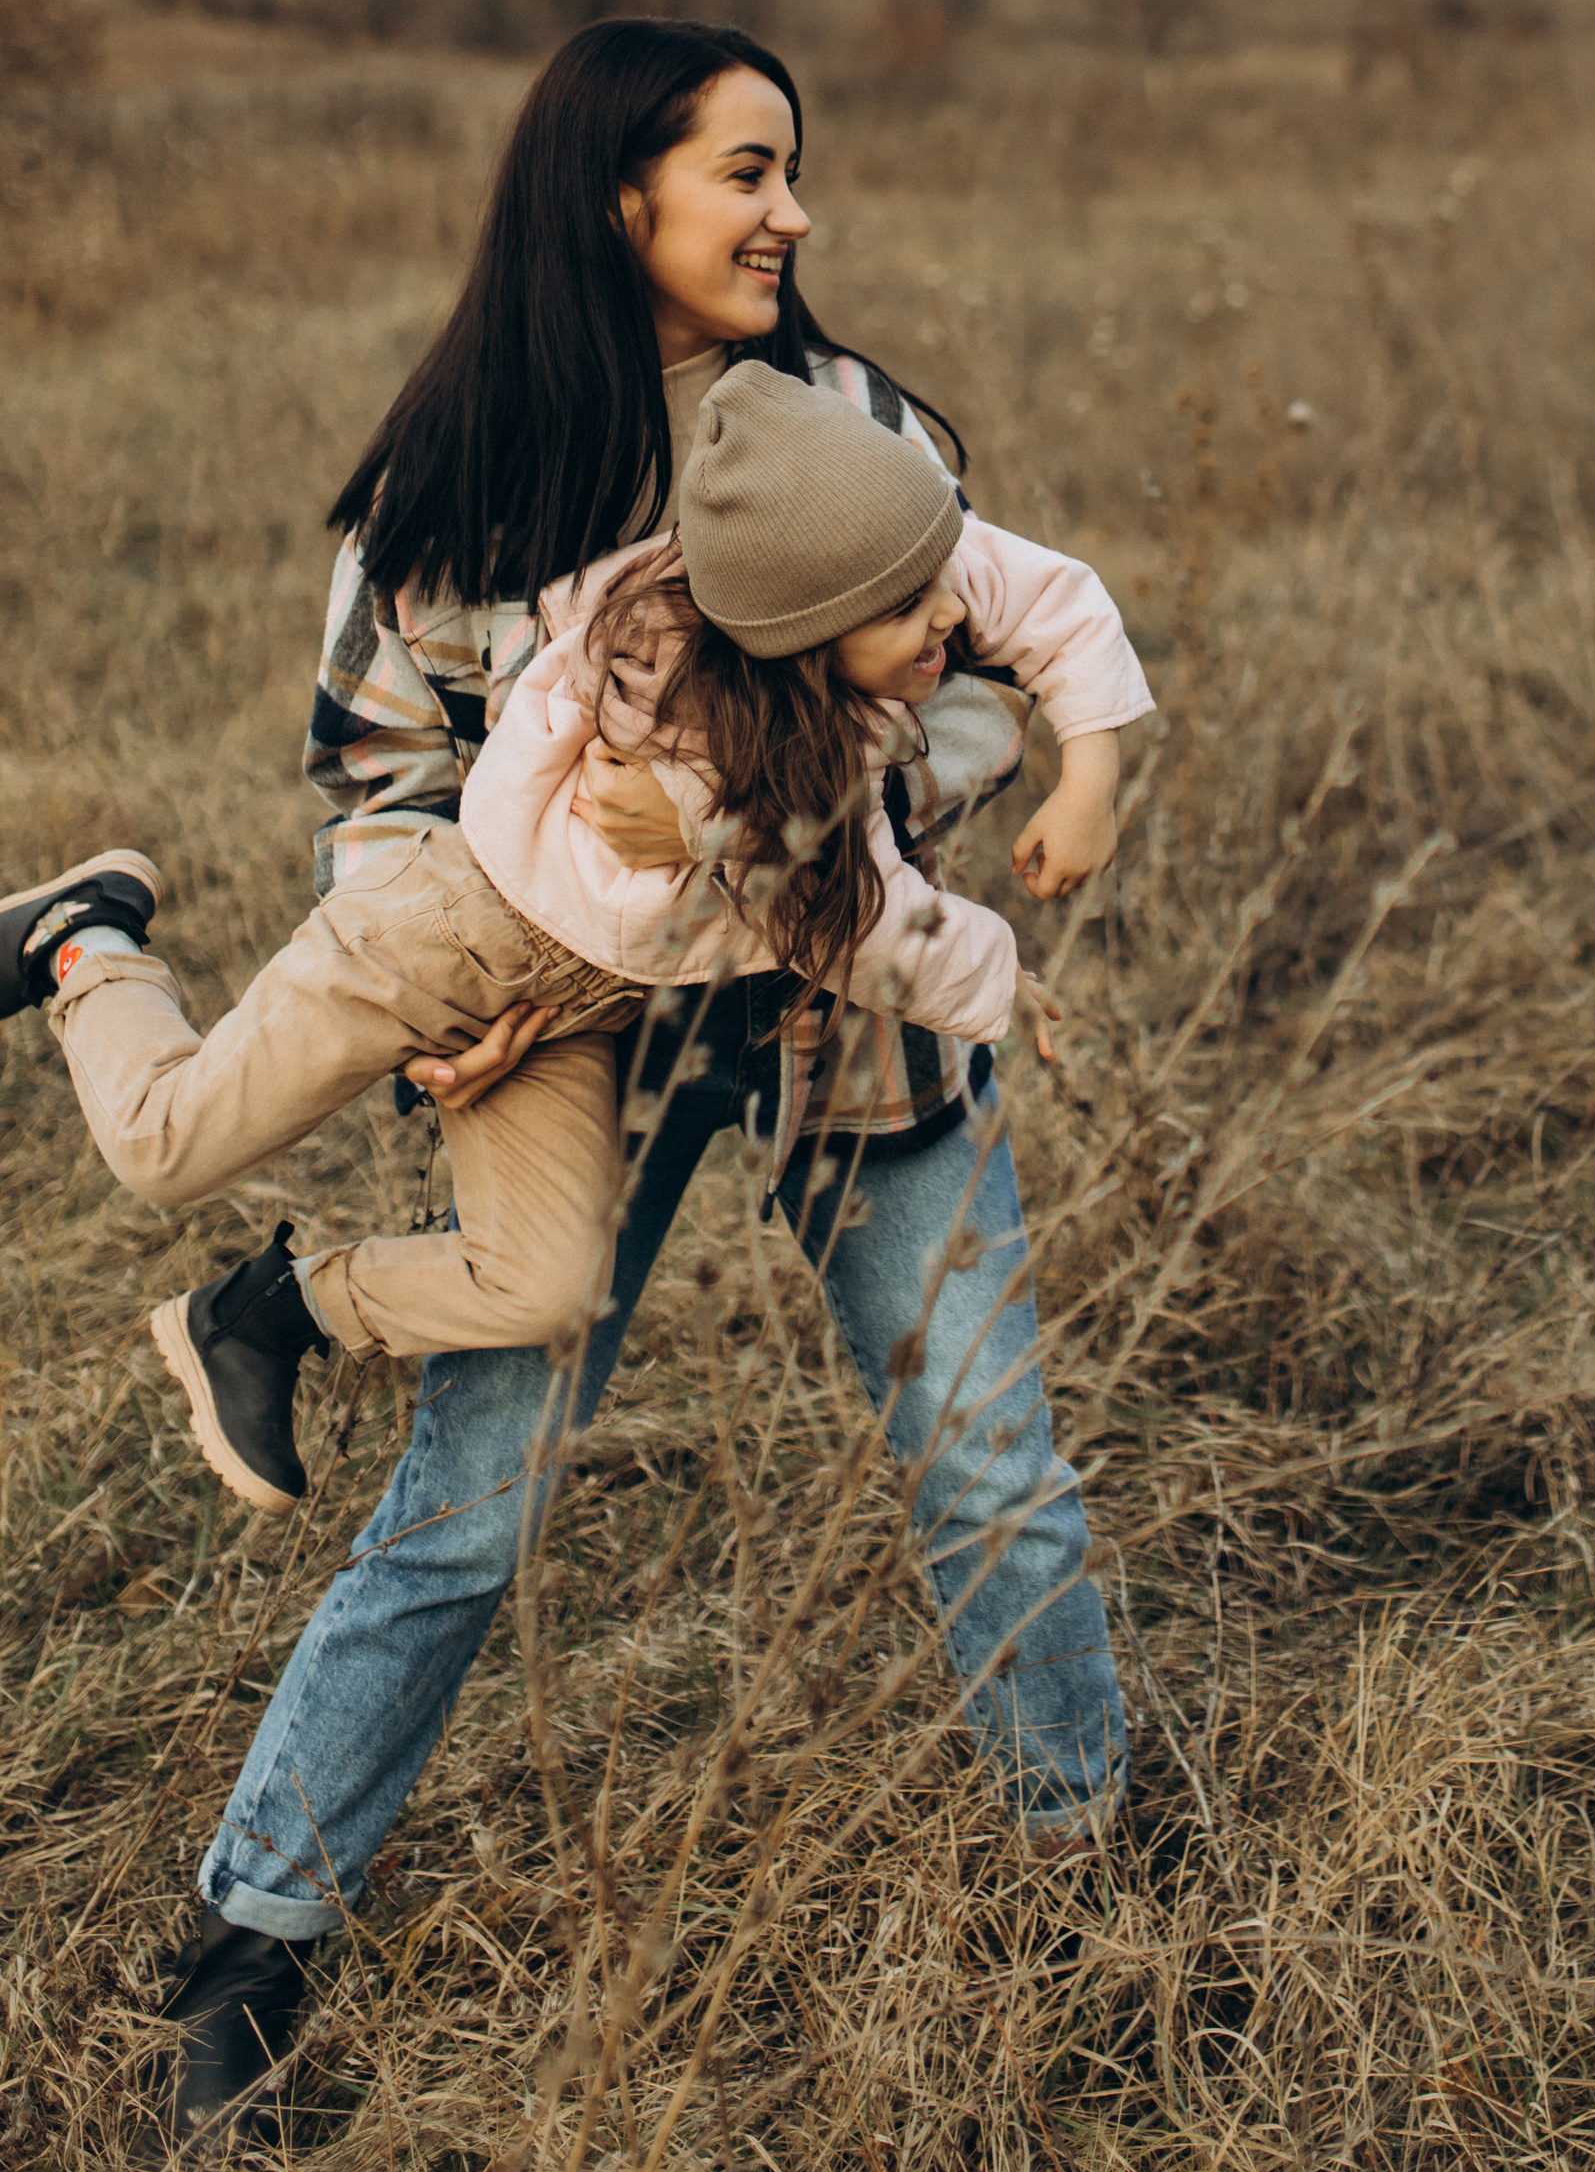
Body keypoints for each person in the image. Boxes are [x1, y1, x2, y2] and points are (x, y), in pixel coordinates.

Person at [115, 18, 1140, 2153]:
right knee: (459, 1524)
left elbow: (965, 712)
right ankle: (253, 1937)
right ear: (619, 194)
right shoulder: (467, 473)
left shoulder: (860, 424)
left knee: (986, 1461)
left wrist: (822, 837)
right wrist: (476, 991)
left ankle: (1087, 1885)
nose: (792, 213)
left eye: (793, 170)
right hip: (547, 1039)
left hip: (843, 1028)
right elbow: (378, 777)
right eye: (747, 171)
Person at [7, 365, 1146, 1510]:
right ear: (802, 633)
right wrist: (1002, 979)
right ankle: (84, 941)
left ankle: (275, 1313)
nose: (950, 616)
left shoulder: (867, 555)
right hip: (440, 939)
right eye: (908, 608)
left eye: (938, 583)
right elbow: (848, 918)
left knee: (543, 1284)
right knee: (162, 1150)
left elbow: (1036, 596)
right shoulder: (683, 684)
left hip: (573, 1008)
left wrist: (1087, 766)